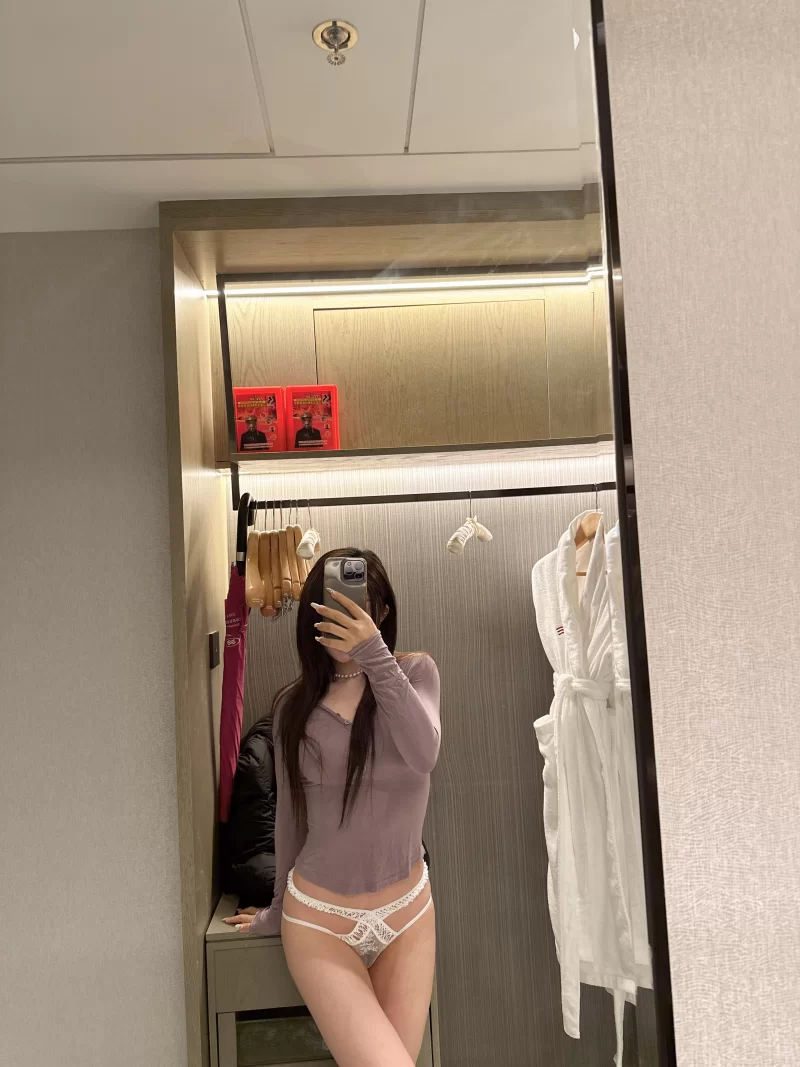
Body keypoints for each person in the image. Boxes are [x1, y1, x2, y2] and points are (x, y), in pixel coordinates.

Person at [225, 548, 440, 1067]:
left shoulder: (415, 674)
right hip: (320, 923)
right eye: (331, 602)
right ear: (312, 613)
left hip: (409, 915)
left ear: (381, 612)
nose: (344, 614)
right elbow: (290, 822)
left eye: (358, 604)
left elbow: (424, 753)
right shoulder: (292, 707)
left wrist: (373, 655)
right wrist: (275, 910)